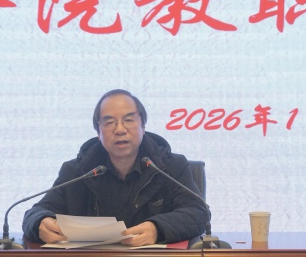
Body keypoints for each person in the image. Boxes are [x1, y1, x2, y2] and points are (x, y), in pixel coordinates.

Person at [22, 89, 209, 246]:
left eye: (129, 120)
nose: (120, 129)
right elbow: (37, 212)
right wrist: (39, 223)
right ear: (98, 132)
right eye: (110, 122)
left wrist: (157, 228)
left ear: (142, 126)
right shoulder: (76, 171)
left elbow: (198, 212)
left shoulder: (170, 167)